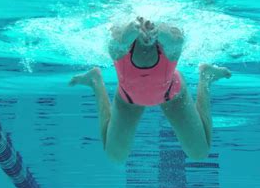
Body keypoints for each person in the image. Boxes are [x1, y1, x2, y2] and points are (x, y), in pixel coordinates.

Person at [69, 17, 231, 163]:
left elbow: (177, 40)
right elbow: (116, 41)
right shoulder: (120, 49)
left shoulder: (169, 48)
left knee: (199, 153)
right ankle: (95, 80)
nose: (146, 36)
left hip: (173, 95)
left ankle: (206, 77)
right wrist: (130, 30)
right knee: (114, 156)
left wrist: (158, 31)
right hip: (128, 100)